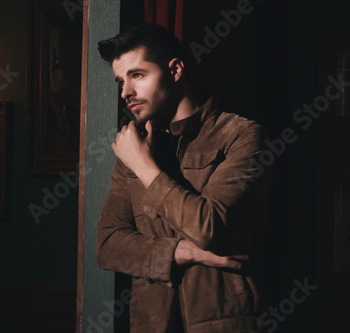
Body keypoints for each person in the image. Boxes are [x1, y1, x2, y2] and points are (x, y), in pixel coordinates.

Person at [96, 23, 272, 333]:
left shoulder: (240, 135)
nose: (125, 92)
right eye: (120, 81)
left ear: (175, 70)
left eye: (137, 75)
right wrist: (180, 252)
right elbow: (108, 244)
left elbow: (208, 227)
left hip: (224, 324)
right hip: (150, 324)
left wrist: (145, 167)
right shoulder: (131, 150)